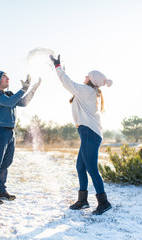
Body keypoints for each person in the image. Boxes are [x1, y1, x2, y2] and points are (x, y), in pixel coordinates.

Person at [50, 54, 113, 215]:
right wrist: (62, 68)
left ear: (91, 80)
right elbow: (70, 82)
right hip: (88, 134)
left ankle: (103, 202)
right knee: (80, 167)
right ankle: (83, 200)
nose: (85, 76)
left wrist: (58, 67)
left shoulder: (87, 91)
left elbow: (68, 83)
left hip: (89, 134)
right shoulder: (89, 91)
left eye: (87, 75)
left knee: (91, 168)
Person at [0, 70, 42, 204]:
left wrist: (32, 89)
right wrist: (23, 89)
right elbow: (10, 103)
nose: (8, 78)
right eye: (4, 76)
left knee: (6, 163)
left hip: (10, 132)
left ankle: (1, 191)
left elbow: (23, 103)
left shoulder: (9, 94)